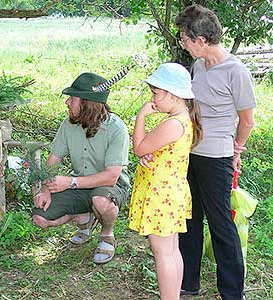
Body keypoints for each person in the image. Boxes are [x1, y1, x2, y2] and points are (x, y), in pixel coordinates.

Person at [175, 4, 256, 300]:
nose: (183, 42)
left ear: (201, 39)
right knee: (189, 218)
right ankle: (188, 283)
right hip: (190, 153)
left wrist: (235, 151)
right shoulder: (198, 66)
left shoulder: (236, 71)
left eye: (185, 37)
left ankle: (233, 292)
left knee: (221, 223)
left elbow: (247, 120)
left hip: (218, 157)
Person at [32, 72, 131, 264]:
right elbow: (53, 159)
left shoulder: (116, 128)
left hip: (110, 187)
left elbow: (111, 177)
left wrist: (69, 182)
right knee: (40, 218)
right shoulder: (68, 125)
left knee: (100, 200)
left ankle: (107, 234)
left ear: (87, 103)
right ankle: (85, 220)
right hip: (79, 185)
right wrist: (46, 190)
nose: (67, 102)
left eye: (72, 98)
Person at [129, 63, 202, 300]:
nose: (153, 99)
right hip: (171, 192)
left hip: (161, 196)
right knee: (171, 251)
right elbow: (156, 152)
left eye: (156, 93)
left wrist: (141, 115)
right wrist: (149, 156)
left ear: (172, 94)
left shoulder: (172, 123)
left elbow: (138, 148)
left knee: (163, 254)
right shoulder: (183, 119)